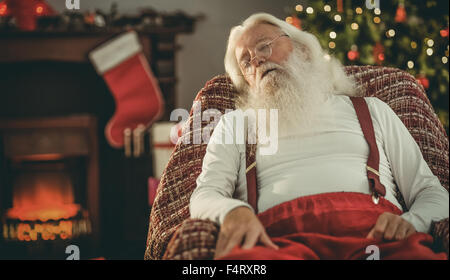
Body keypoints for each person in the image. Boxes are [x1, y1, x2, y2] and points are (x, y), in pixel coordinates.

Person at [189, 13, 449, 260]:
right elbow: (205, 195)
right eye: (245, 61)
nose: (256, 60)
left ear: (302, 49)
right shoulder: (236, 124)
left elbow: (432, 193)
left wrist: (410, 223)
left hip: (379, 240)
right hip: (278, 244)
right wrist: (234, 211)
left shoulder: (372, 110)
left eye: (264, 46)